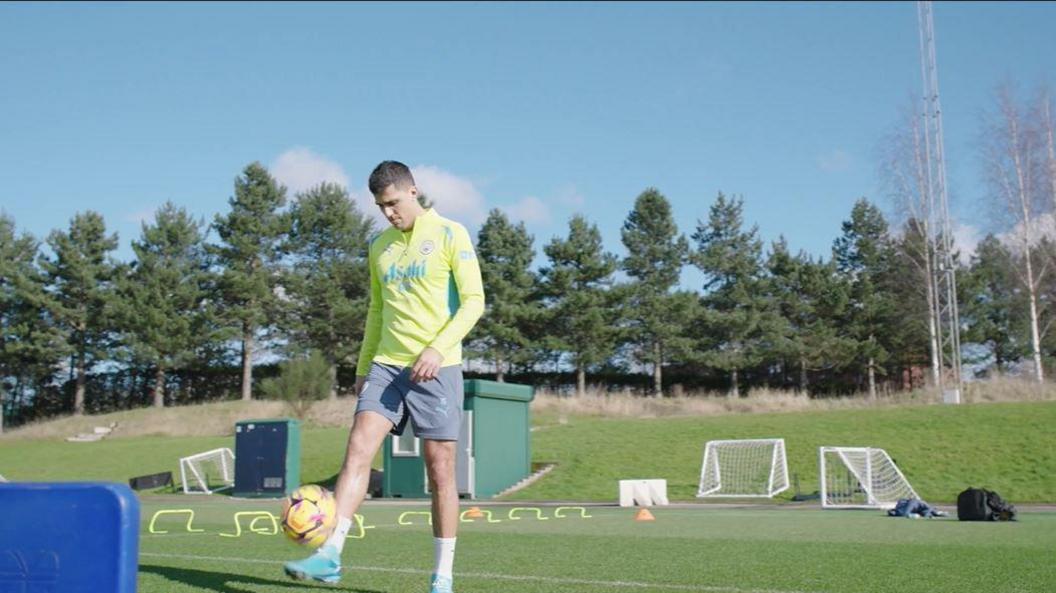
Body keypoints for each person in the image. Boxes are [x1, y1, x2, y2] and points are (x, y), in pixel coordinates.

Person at [284, 160, 485, 593]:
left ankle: (442, 576)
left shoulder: (451, 234)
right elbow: (376, 311)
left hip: (438, 367)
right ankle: (331, 554)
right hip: (386, 366)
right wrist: (362, 368)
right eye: (381, 207)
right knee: (358, 447)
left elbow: (473, 302)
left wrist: (437, 348)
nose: (389, 213)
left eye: (393, 203)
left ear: (413, 192)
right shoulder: (380, 247)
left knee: (441, 471)